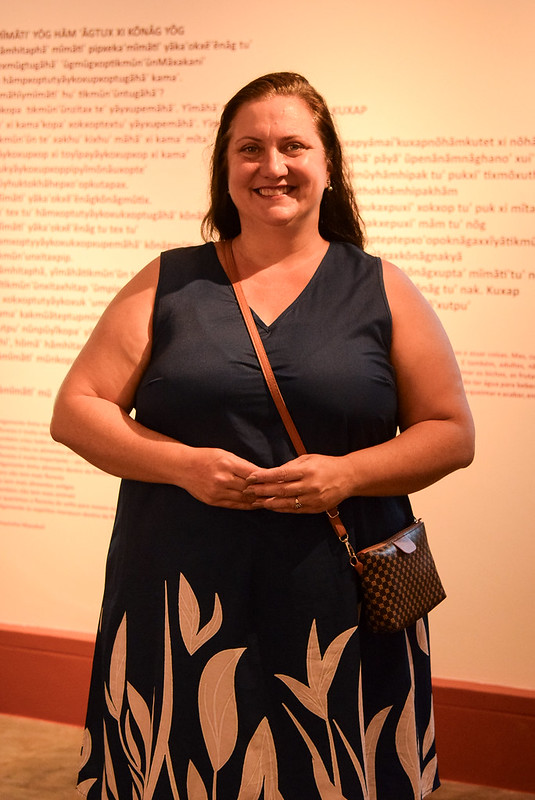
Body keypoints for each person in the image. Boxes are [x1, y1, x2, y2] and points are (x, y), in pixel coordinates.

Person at [51, 72, 475, 800]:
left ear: (328, 163)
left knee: (334, 767)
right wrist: (181, 465)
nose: (271, 166)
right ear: (225, 167)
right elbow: (76, 410)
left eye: (292, 146)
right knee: (185, 764)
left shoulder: (380, 287)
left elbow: (451, 432)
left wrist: (347, 474)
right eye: (249, 148)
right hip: (183, 593)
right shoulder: (170, 282)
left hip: (337, 596)